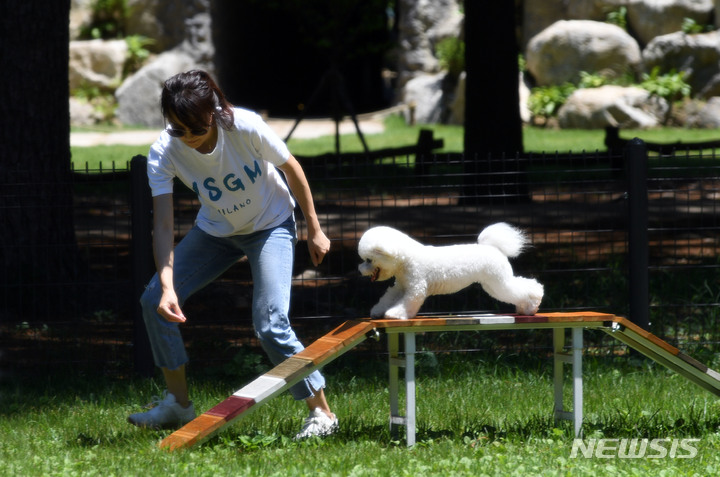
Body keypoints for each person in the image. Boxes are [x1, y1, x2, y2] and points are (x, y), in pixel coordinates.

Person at [128, 70, 337, 439]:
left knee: (271, 324)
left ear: (214, 112)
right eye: (178, 129)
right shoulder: (164, 150)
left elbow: (292, 169)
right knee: (152, 302)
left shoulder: (245, 126)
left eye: (194, 128)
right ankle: (178, 404)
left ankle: (321, 413)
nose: (187, 138)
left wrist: (314, 229)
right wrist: (166, 286)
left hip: (270, 224)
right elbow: (162, 225)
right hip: (216, 231)